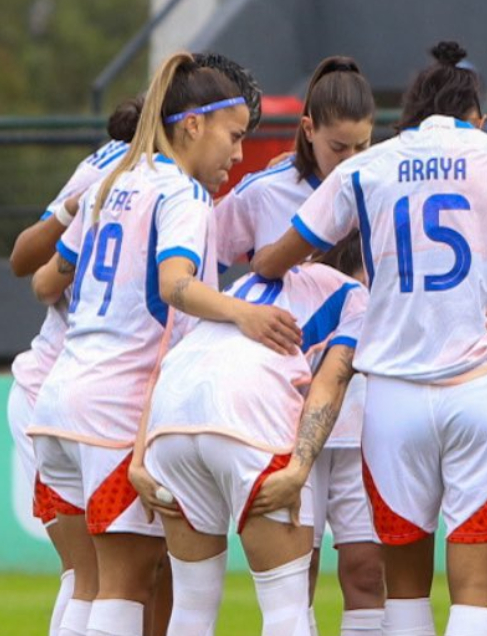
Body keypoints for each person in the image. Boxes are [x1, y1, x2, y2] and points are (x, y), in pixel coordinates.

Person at [255, 40, 487, 636]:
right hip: (485, 391)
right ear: (478, 117)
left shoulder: (365, 167)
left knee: (404, 591)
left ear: (408, 115)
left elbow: (278, 258)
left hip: (394, 397)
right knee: (474, 589)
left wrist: (259, 268)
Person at [27, 51, 295, 636]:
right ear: (193, 125)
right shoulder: (183, 194)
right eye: (234, 137)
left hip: (58, 404)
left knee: (87, 583)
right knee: (125, 588)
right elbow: (176, 284)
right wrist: (244, 313)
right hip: (115, 412)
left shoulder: (111, 183)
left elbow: (45, 280)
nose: (238, 155)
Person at [215, 59, 383, 633]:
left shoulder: (385, 187)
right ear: (308, 129)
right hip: (286, 414)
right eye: (339, 147)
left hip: (366, 408)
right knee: (297, 573)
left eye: (363, 146)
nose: (352, 160)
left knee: (367, 571)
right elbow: (201, 268)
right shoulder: (262, 193)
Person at [140, 235, 368, 636]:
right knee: (286, 607)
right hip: (246, 414)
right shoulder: (357, 297)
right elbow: (329, 384)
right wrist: (299, 469)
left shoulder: (241, 287)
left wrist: (138, 460)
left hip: (170, 419)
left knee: (191, 605)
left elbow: (169, 363)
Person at [6, 97, 141, 636]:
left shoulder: (130, 172)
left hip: (76, 392)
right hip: (73, 390)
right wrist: (69, 211)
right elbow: (27, 263)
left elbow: (38, 276)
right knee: (98, 576)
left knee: (105, 575)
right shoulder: (116, 172)